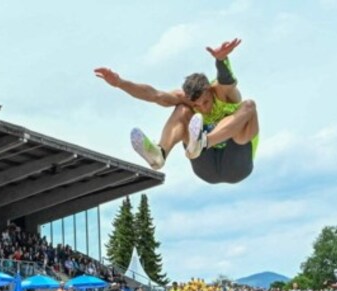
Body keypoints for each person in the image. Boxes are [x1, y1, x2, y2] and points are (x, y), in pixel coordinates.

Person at [94, 38, 258, 184]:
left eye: (206, 102)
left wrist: (221, 60)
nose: (202, 108)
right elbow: (155, 95)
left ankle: (204, 141)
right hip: (205, 168)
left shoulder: (222, 91)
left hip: (237, 164)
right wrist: (120, 83)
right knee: (182, 109)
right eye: (197, 105)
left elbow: (227, 80)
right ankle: (160, 154)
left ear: (210, 90)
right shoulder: (185, 99)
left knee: (249, 105)